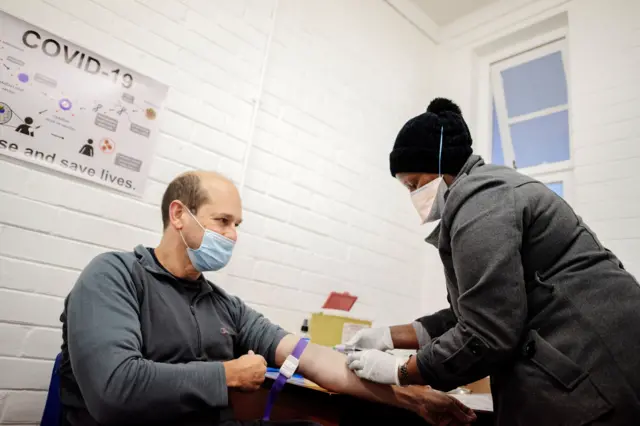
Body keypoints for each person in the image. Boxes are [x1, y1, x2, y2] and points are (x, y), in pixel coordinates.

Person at [58, 171, 477, 426]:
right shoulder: (114, 276)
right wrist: (227, 375)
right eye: (222, 221)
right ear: (178, 214)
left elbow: (315, 359)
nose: (233, 235)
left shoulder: (225, 306)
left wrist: (410, 393)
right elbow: (114, 390)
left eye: (236, 224)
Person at [345, 98, 640, 425]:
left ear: (443, 163)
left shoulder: (481, 200)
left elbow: (487, 331)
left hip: (593, 365)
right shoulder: (490, 193)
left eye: (414, 184)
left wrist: (401, 371)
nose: (413, 195)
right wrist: (386, 336)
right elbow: (472, 311)